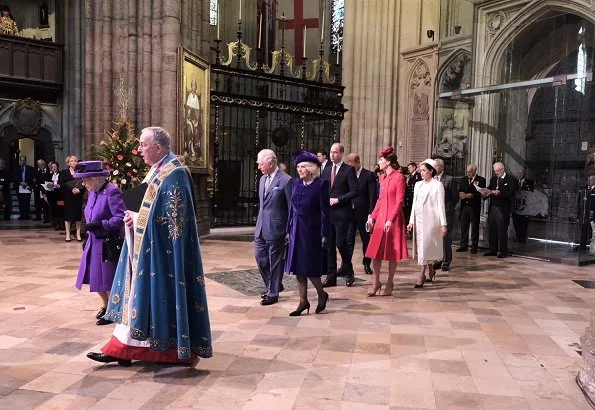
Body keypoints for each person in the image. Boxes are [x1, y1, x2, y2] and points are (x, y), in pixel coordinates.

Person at [87, 126, 212, 366]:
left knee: (150, 296)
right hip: (146, 247)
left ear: (158, 146)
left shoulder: (175, 173)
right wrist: (131, 216)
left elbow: (174, 220)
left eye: (143, 145)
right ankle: (122, 349)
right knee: (137, 296)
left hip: (162, 254)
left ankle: (148, 351)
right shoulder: (157, 169)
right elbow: (147, 204)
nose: (140, 149)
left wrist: (137, 218)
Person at [73, 161, 125, 325]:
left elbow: (120, 217)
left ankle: (114, 311)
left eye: (85, 179)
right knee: (95, 277)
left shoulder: (112, 191)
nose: (83, 183)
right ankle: (105, 305)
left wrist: (102, 225)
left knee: (107, 279)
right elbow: (89, 212)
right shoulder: (93, 191)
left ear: (96, 178)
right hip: (93, 241)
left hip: (106, 242)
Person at [284, 150, 330, 316]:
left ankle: (321, 293)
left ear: (311, 168)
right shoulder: (295, 184)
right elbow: (291, 209)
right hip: (296, 230)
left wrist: (325, 234)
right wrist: (289, 229)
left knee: (310, 268)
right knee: (298, 268)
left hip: (312, 232)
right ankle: (303, 301)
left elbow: (325, 212)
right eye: (298, 167)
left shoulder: (321, 185)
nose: (299, 170)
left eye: (302, 167)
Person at [365, 147, 409, 296]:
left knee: (391, 253)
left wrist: (391, 219)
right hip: (381, 217)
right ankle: (376, 281)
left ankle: (390, 281)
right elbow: (380, 200)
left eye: (381, 160)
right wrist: (373, 216)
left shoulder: (399, 177)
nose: (379, 162)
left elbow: (399, 201)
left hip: (394, 219)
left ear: (388, 162)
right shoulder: (382, 177)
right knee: (374, 251)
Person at [255, 149, 292, 306]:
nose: (259, 167)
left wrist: (289, 230)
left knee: (275, 261)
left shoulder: (286, 180)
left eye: (261, 164)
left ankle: (273, 293)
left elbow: (291, 208)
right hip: (261, 227)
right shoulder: (262, 179)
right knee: (260, 258)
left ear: (270, 163)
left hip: (277, 227)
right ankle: (275, 284)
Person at [321, 143, 358, 287]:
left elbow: (355, 191)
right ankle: (331, 277)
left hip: (342, 212)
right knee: (329, 245)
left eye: (335, 152)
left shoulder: (348, 170)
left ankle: (349, 271)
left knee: (340, 243)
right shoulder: (326, 170)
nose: (332, 155)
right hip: (328, 214)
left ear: (341, 153)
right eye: (330, 152)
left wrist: (338, 199)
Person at [407, 159, 447, 288]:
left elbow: (441, 205)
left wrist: (443, 224)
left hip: (431, 221)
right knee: (423, 247)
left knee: (425, 246)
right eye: (421, 170)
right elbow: (414, 203)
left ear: (431, 171)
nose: (422, 173)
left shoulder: (437, 185)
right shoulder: (418, 184)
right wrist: (411, 221)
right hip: (419, 220)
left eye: (424, 170)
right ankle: (431, 269)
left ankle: (422, 273)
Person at [347, 153, 377, 275]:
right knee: (349, 240)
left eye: (351, 163)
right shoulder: (348, 174)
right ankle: (347, 265)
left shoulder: (368, 175)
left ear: (358, 162)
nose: (350, 166)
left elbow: (372, 195)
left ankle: (366, 263)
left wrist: (371, 213)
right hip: (350, 212)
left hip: (363, 212)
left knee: (366, 239)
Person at [482, 162, 518, 258]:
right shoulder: (494, 179)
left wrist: (499, 193)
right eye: (495, 171)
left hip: (503, 208)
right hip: (493, 207)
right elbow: (489, 189)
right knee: (492, 229)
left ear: (502, 169)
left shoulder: (511, 179)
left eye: (498, 171)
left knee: (502, 230)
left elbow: (511, 193)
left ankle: (503, 251)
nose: (496, 173)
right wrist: (484, 193)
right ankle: (492, 249)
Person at [432, 158, 458, 271]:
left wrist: (448, 208)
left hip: (447, 213)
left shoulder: (449, 179)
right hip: (434, 214)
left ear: (441, 167)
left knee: (446, 238)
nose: (433, 168)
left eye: (436, 166)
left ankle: (446, 261)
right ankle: (438, 259)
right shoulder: (431, 179)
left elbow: (455, 197)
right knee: (436, 238)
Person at [456, 164, 486, 253]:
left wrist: (472, 195)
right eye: (467, 171)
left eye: (469, 171)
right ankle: (463, 245)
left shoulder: (481, 180)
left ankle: (474, 246)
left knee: (474, 226)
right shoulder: (463, 179)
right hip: (464, 205)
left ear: (474, 171)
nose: (468, 173)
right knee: (464, 226)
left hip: (474, 206)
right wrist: (464, 194)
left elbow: (482, 192)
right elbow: (460, 190)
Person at [60, 155, 85, 242]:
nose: (74, 162)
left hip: (78, 196)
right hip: (68, 196)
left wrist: (79, 190)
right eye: (71, 161)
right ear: (68, 163)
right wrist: (71, 189)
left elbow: (84, 183)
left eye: (75, 161)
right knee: (68, 215)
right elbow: (62, 183)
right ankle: (67, 233)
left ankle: (78, 233)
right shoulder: (64, 172)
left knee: (77, 215)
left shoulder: (80, 172)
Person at [512, 166, 534, 243]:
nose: (519, 174)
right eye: (518, 172)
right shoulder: (514, 182)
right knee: (516, 221)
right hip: (516, 206)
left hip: (525, 207)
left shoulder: (530, 182)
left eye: (521, 173)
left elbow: (531, 194)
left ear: (524, 173)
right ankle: (517, 236)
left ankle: (523, 237)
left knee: (524, 222)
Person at [13, 156, 35, 220]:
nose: (22, 161)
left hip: (27, 187)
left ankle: (27, 215)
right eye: (21, 160)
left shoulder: (30, 168)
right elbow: (14, 177)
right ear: (19, 161)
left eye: (23, 160)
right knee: (21, 202)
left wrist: (26, 183)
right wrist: (20, 182)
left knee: (27, 202)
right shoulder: (16, 168)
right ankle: (22, 215)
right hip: (19, 187)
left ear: (25, 161)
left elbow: (31, 177)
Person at [404, 162, 422, 237]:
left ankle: (412, 233)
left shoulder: (417, 176)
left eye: (410, 168)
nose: (408, 169)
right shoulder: (410, 176)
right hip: (409, 199)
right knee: (408, 215)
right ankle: (409, 232)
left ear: (414, 167)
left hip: (413, 198)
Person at [578, 175, 595, 251]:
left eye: (591, 180)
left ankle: (592, 248)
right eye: (588, 180)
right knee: (583, 230)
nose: (589, 182)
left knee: (592, 232)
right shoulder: (584, 189)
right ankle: (582, 246)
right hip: (585, 213)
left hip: (593, 214)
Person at [47, 162, 64, 230]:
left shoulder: (61, 174)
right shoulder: (49, 175)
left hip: (59, 194)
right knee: (54, 208)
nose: (54, 168)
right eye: (52, 167)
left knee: (60, 208)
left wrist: (59, 185)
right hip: (52, 193)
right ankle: (56, 223)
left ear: (58, 167)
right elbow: (47, 183)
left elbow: (63, 183)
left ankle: (62, 224)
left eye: (55, 166)